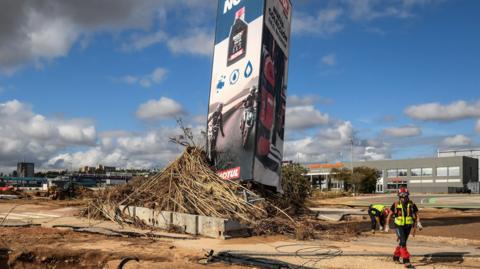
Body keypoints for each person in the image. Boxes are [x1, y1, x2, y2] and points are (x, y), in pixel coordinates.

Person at [385, 187, 420, 269]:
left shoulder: (411, 204)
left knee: (402, 242)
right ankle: (406, 261)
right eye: (402, 197)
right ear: (399, 197)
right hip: (398, 225)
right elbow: (389, 215)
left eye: (405, 196)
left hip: (408, 226)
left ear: (408, 196)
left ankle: (396, 256)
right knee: (403, 242)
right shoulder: (396, 204)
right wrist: (387, 225)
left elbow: (417, 214)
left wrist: (418, 222)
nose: (404, 198)